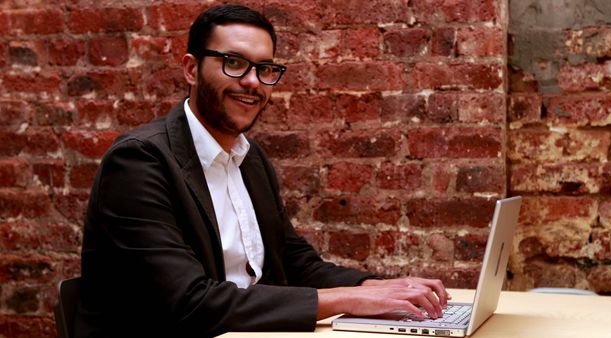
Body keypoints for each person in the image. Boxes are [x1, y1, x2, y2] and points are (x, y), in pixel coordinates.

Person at [75, 4, 449, 338]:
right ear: (191, 69)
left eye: (265, 68)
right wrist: (349, 299)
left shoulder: (248, 156)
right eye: (234, 62)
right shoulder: (139, 162)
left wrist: (382, 287)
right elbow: (188, 302)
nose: (253, 82)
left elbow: (294, 261)